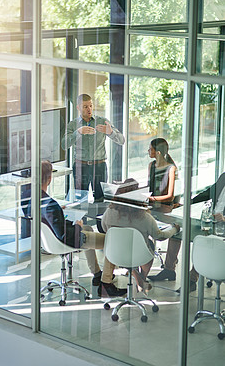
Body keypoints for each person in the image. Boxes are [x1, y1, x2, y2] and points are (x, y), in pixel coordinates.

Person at [27, 160, 126, 296]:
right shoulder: (51, 205)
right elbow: (63, 235)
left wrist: (60, 213)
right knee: (112, 241)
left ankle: (97, 273)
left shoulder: (33, 199)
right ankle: (106, 283)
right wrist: (78, 227)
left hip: (48, 241)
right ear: (49, 179)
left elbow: (48, 220)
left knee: (89, 228)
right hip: (68, 240)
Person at [98, 179, 180, 297]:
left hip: (116, 254)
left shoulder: (109, 212)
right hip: (139, 255)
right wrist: (174, 229)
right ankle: (142, 279)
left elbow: (105, 228)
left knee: (124, 246)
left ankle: (138, 278)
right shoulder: (144, 217)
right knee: (150, 245)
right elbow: (160, 236)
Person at [150, 172, 225, 293]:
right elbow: (208, 193)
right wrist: (186, 204)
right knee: (177, 231)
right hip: (211, 219)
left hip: (223, 226)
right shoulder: (224, 176)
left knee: (203, 242)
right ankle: (169, 269)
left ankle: (192, 280)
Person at [61, 93, 125, 200]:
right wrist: (78, 133)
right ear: (78, 108)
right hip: (81, 167)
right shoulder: (73, 125)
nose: (89, 109)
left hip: (99, 167)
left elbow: (121, 140)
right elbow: (64, 145)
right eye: (85, 107)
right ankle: (81, 218)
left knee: (101, 199)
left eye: (91, 105)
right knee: (80, 200)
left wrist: (110, 132)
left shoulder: (102, 121)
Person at [147, 138, 181, 282]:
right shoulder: (151, 165)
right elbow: (149, 188)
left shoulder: (171, 168)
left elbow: (170, 196)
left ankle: (169, 269)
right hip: (152, 206)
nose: (148, 151)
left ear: (158, 152)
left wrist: (153, 199)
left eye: (150, 149)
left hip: (166, 208)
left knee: (177, 232)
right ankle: (139, 265)